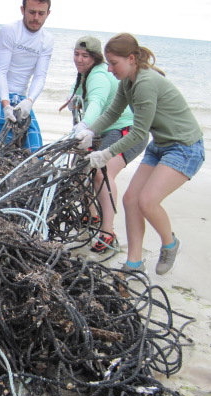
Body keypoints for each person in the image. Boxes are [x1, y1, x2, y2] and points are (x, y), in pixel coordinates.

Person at [75, 33, 204, 275]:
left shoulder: (145, 83)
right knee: (130, 199)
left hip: (185, 147)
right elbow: (113, 113)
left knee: (147, 201)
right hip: (161, 146)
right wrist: (89, 130)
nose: (110, 68)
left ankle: (170, 244)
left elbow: (137, 133)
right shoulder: (128, 81)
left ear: (131, 59)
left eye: (114, 63)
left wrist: (105, 154)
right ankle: (134, 262)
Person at [62, 35, 148, 254]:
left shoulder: (99, 75)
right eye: (76, 54)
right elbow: (83, 97)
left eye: (85, 56)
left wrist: (84, 127)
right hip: (104, 130)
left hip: (125, 130)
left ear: (96, 57)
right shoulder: (86, 73)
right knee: (80, 171)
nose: (79, 60)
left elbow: (98, 104)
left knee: (102, 173)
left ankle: (108, 233)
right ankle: (93, 216)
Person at [0, 0, 54, 158]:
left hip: (22, 100)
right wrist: (5, 105)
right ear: (22, 10)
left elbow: (40, 76)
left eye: (41, 13)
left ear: (48, 14)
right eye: (32, 12)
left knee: (36, 154)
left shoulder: (47, 39)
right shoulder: (10, 30)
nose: (36, 17)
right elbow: (1, 72)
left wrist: (30, 101)